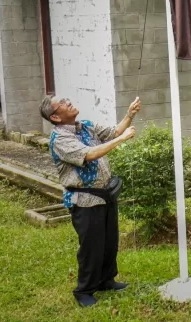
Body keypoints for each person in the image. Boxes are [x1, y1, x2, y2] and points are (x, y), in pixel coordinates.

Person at [40, 95, 141, 307]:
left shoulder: (85, 126)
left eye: (67, 99)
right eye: (63, 103)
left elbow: (113, 132)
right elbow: (90, 154)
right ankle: (84, 290)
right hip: (85, 199)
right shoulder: (60, 139)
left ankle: (106, 280)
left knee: (109, 242)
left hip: (106, 194)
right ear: (56, 117)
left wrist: (129, 115)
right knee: (91, 247)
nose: (69, 101)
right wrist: (122, 140)